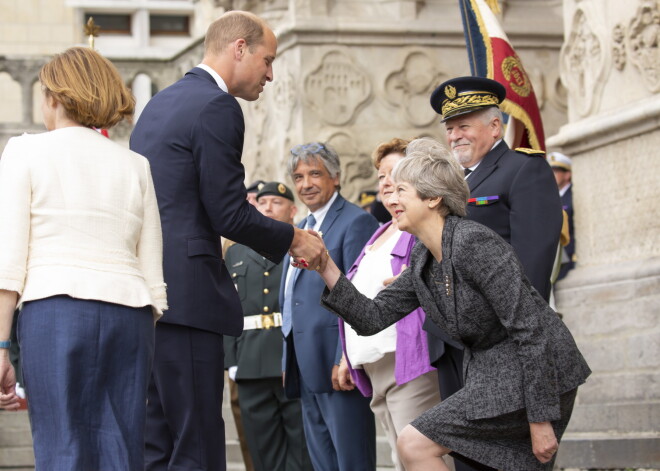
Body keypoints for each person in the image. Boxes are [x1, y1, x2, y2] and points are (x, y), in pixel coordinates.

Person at [299, 137, 591, 471]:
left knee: (414, 443)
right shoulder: (424, 254)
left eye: (401, 191)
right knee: (417, 445)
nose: (390, 199)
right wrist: (325, 265)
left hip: (537, 373)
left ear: (434, 198)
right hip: (492, 373)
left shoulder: (473, 242)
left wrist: (540, 420)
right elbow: (371, 317)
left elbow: (532, 329)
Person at [129, 11, 324, 471]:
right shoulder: (217, 106)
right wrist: (294, 238)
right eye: (267, 60)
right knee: (196, 442)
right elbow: (229, 212)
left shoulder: (158, 104)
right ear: (240, 47)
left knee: (157, 442)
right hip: (191, 298)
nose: (271, 75)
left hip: (150, 293)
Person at [0, 47, 167, 470]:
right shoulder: (136, 164)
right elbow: (152, 269)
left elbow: (9, 261)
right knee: (122, 453)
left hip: (55, 308)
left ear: (54, 97)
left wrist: (1, 345)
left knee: (62, 448)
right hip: (130, 314)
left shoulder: (24, 151)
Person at [424, 77, 564, 471]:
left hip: (499, 343)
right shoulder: (450, 184)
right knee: (468, 456)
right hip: (452, 341)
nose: (455, 136)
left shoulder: (524, 170)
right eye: (450, 128)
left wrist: (504, 333)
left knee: (508, 456)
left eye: (465, 125)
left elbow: (532, 267)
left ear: (495, 126)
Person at [337, 138, 441, 471]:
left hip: (408, 358)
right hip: (372, 363)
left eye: (394, 172)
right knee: (401, 459)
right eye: (380, 175)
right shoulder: (381, 230)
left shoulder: (419, 228)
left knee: (420, 455)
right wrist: (345, 355)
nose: (385, 182)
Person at [281, 142, 379, 471]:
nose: (305, 183)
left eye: (314, 174)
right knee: (323, 461)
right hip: (306, 361)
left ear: (335, 178)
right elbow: (293, 296)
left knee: (352, 459)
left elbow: (357, 295)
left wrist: (345, 356)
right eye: (298, 176)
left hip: (338, 364)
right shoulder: (300, 228)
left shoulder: (355, 222)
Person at [224, 181, 312, 471]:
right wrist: (231, 360)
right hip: (249, 362)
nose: (268, 208)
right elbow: (227, 307)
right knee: (263, 452)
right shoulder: (235, 253)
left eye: (276, 202)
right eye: (263, 204)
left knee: (300, 450)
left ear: (292, 211)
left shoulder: (302, 245)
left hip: (290, 359)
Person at [547, 152, 575, 280]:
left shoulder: (574, 194)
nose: (552, 175)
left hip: (571, 256)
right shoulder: (550, 196)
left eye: (556, 171)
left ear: (567, 174)